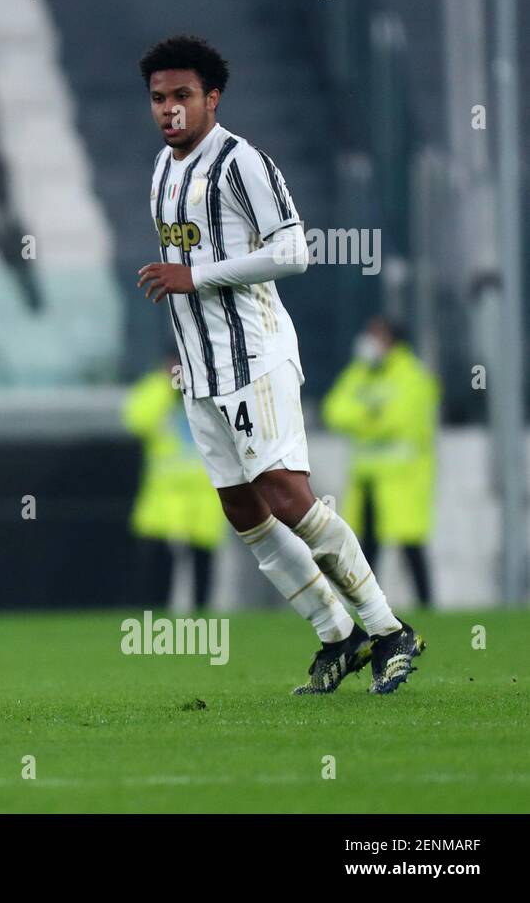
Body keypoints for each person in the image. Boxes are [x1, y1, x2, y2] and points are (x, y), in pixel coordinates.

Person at [135, 36, 424, 694]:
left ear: (212, 98)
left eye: (182, 96)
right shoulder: (161, 170)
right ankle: (336, 635)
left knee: (287, 494)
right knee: (242, 510)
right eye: (159, 98)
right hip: (201, 370)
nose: (169, 110)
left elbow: (295, 251)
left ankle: (388, 629)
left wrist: (197, 275)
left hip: (255, 358)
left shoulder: (242, 164)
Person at [323, 318, 441, 606]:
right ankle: (369, 606)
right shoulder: (360, 372)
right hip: (368, 479)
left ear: (392, 340)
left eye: (376, 335)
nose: (369, 341)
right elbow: (333, 410)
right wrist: (372, 415)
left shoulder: (413, 375)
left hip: (403, 480)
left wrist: (363, 417)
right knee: (367, 548)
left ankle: (427, 607)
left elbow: (398, 419)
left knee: (410, 546)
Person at [123, 356, 226, 608]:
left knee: (202, 569)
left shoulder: (213, 386)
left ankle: (200, 627)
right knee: (157, 569)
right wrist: (164, 385)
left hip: (204, 497)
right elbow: (136, 419)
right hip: (164, 499)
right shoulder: (158, 391)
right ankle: (154, 623)